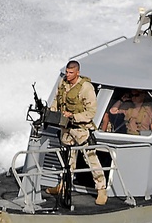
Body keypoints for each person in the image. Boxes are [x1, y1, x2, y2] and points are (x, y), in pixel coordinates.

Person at [46, 60, 108, 205]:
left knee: (90, 158)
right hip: (66, 128)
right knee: (67, 159)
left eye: (71, 73)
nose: (67, 75)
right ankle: (63, 185)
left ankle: (101, 190)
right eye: (67, 72)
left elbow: (91, 112)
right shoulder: (63, 83)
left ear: (77, 72)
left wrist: (73, 116)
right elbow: (57, 100)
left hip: (81, 129)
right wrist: (52, 113)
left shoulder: (86, 88)